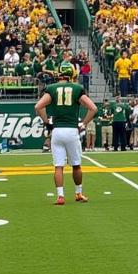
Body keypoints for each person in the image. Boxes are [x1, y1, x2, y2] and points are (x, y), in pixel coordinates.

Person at [34, 63, 97, 205]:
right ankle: (78, 193)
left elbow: (38, 106)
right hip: (72, 129)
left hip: (57, 131)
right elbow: (93, 108)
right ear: (72, 73)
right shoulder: (77, 88)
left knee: (58, 166)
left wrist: (46, 122)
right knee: (76, 165)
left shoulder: (52, 88)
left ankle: (60, 196)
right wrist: (84, 124)